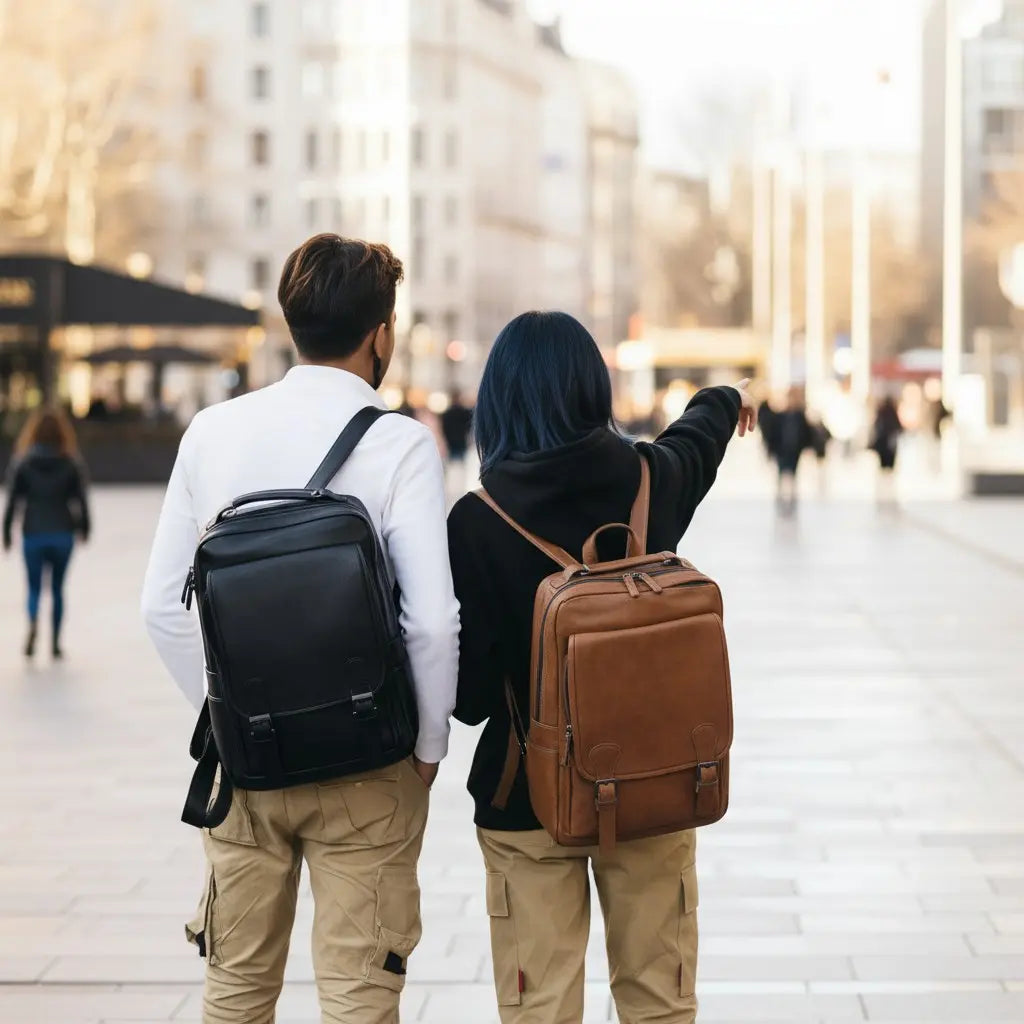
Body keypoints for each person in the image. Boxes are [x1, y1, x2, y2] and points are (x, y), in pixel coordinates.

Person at [141, 235, 460, 1024]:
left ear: (292, 324)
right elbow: (429, 621)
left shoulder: (212, 433)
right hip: (369, 767)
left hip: (248, 769)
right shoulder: (399, 444)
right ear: (381, 334)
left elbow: (159, 608)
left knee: (236, 993)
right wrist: (427, 748)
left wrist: (230, 716)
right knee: (358, 999)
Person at [446, 311, 755, 1024]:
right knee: (658, 1005)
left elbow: (466, 700)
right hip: (652, 785)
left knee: (541, 1009)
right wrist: (728, 397)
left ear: (500, 400)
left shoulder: (477, 519)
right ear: (594, 388)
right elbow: (697, 439)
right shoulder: (651, 480)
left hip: (526, 800)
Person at [3, 409, 90, 660]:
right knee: (58, 588)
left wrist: (6, 532)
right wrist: (85, 527)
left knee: (33, 587)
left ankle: (32, 623)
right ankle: (55, 643)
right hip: (63, 533)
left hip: (33, 533)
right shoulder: (71, 462)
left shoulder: (23, 462)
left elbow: (13, 501)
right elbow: (80, 500)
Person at [768, 389, 814, 516]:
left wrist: (806, 447)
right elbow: (773, 434)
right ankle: (780, 497)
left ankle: (792, 498)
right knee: (781, 474)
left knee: (793, 475)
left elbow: (806, 433)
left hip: (794, 450)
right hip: (781, 450)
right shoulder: (779, 416)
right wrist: (771, 449)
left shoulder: (799, 416)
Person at [870, 394, 903, 505]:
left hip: (884, 444)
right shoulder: (891, 414)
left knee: (883, 467)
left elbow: (876, 427)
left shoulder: (881, 413)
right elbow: (899, 428)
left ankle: (885, 486)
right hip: (889, 445)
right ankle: (887, 486)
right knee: (888, 467)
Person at [440, 391, 474, 496]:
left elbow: (444, 428)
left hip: (451, 441)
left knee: (453, 465)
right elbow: (469, 426)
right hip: (460, 441)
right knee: (460, 465)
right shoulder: (463, 412)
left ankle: (453, 487)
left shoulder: (446, 413)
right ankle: (458, 486)